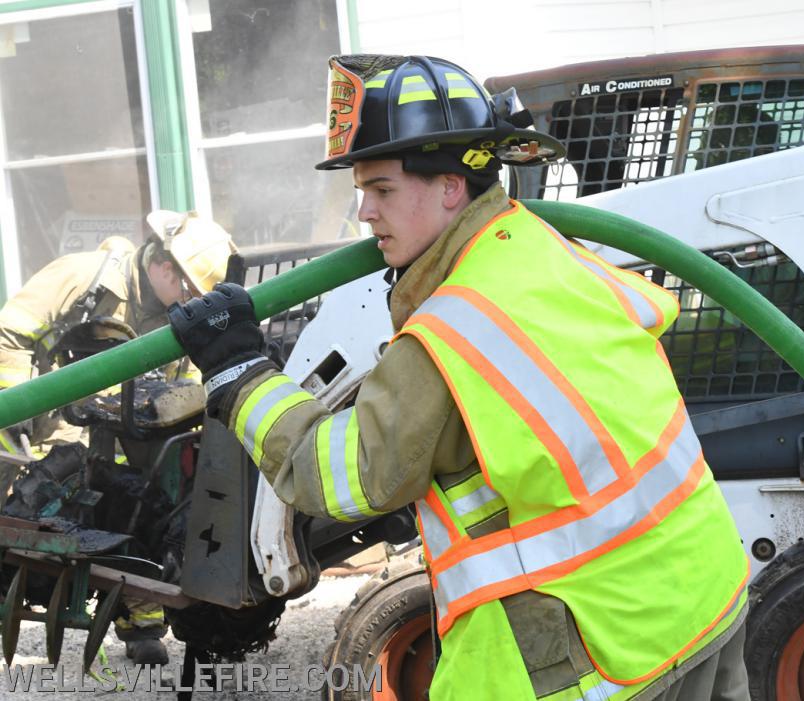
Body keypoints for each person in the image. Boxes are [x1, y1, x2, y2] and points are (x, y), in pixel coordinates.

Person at [169, 55, 751, 700]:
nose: (365, 213)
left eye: (383, 190)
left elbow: (338, 477)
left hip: (604, 653)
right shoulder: (542, 250)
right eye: (362, 191)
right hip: (701, 595)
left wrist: (239, 371)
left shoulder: (451, 332)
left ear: (451, 186)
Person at [0, 210, 235, 665]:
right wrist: (17, 405)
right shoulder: (80, 276)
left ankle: (142, 620)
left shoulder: (179, 314)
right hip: (46, 424)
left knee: (146, 499)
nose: (192, 300)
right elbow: (7, 333)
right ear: (163, 266)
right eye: (189, 288)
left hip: (127, 426)